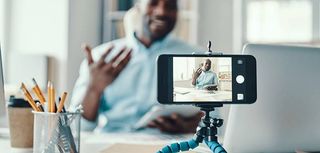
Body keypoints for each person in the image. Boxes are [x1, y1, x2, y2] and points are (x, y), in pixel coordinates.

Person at [70, 0, 203, 134]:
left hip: (170, 146)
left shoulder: (195, 58)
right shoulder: (101, 58)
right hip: (111, 142)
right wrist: (93, 89)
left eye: (170, 6)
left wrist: (189, 127)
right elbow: (78, 128)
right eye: (153, 3)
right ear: (138, 7)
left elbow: (214, 123)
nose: (162, 12)